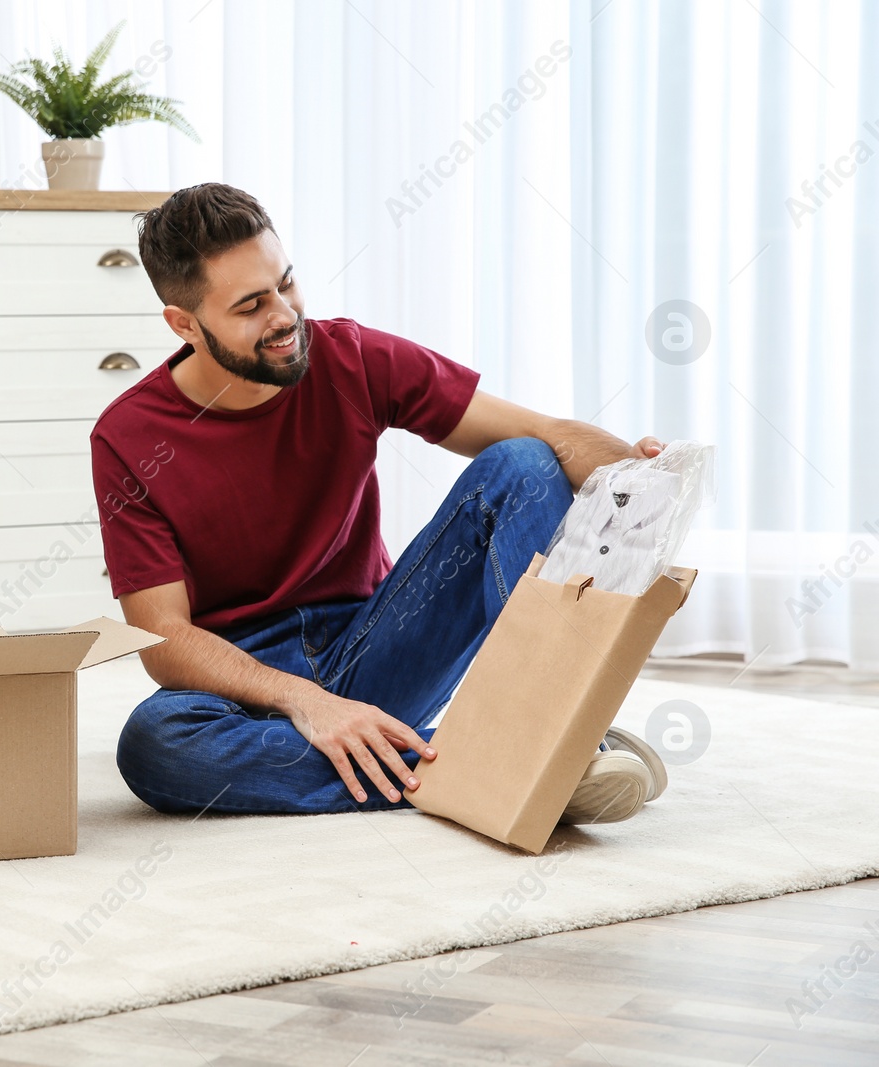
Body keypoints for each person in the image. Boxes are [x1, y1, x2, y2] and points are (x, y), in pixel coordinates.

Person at [91, 182, 667, 823]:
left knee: (524, 463)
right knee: (156, 744)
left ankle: (549, 730)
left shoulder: (350, 357)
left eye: (286, 284)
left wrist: (645, 476)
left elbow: (546, 439)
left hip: (376, 642)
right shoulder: (130, 437)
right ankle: (483, 765)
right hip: (250, 680)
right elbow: (163, 639)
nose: (284, 315)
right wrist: (306, 702)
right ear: (183, 325)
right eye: (252, 305)